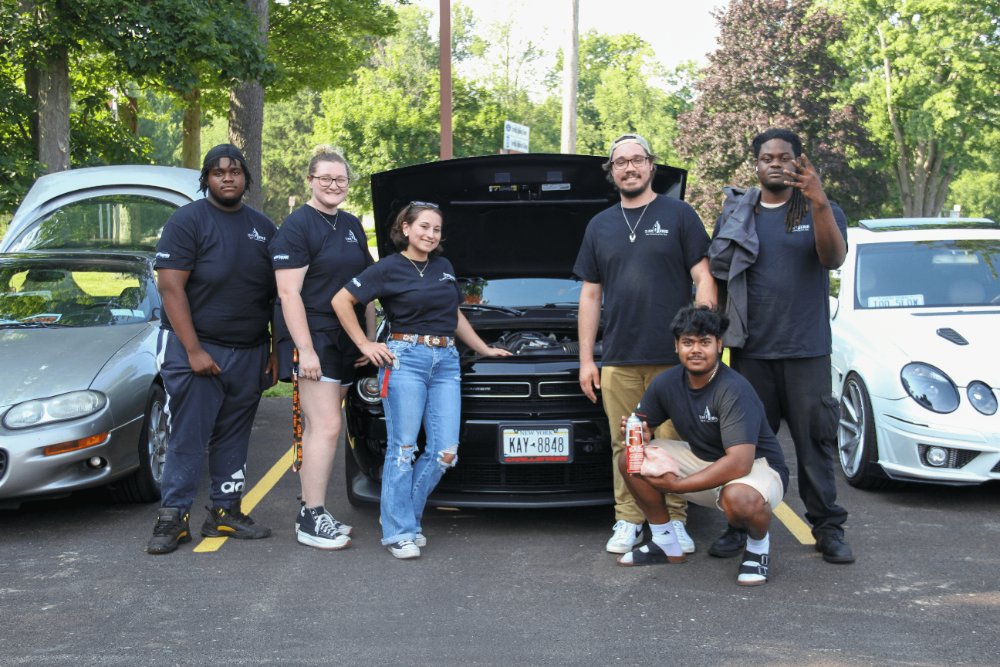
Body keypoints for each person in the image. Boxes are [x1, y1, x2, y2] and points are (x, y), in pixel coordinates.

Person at [332, 202, 511, 559]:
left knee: (445, 451)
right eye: (424, 227)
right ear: (406, 228)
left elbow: (454, 314)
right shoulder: (388, 268)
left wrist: (483, 348)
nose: (431, 234)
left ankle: (405, 522)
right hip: (405, 360)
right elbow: (341, 299)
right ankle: (399, 531)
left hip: (446, 361)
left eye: (437, 230)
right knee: (403, 449)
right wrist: (366, 343)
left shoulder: (443, 267)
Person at [708, 128, 854, 564]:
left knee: (815, 447)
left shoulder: (817, 207)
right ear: (756, 164)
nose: (775, 162)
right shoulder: (739, 214)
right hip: (751, 352)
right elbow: (718, 276)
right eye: (767, 157)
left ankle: (828, 528)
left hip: (807, 350)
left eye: (784, 157)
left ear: (798, 161)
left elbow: (833, 259)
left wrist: (820, 201)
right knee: (745, 447)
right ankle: (738, 526)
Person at [574, 133, 717, 556]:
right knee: (628, 444)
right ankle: (629, 520)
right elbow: (590, 295)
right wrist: (587, 359)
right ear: (612, 171)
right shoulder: (599, 225)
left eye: (637, 160)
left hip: (674, 359)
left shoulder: (679, 214)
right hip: (619, 356)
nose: (629, 168)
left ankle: (674, 519)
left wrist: (704, 339)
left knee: (675, 443)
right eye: (621, 162)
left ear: (651, 165)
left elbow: (704, 277)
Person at [147, 144, 279, 555]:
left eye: (236, 171)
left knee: (235, 435)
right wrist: (193, 349)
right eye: (218, 171)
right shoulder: (188, 221)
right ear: (206, 178)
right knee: (189, 434)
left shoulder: (263, 227)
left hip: (251, 351)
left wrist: (273, 349)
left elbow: (276, 294)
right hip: (198, 351)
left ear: (246, 179)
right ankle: (173, 517)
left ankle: (224, 511)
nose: (228, 177)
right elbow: (170, 287)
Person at [616, 306, 789, 587]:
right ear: (676, 346)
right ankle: (665, 542)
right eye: (688, 342)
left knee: (740, 500)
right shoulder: (667, 382)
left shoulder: (734, 389)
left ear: (719, 345)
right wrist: (640, 436)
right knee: (630, 458)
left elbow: (739, 463)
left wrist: (675, 486)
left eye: (705, 342)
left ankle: (758, 547)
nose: (696, 350)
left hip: (756, 468)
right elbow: (642, 427)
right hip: (703, 460)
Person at [270, 145, 376, 550]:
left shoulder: (350, 224)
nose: (334, 185)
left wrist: (367, 339)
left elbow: (362, 288)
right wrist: (306, 350)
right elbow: (288, 293)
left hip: (348, 337)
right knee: (327, 426)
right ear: (310, 181)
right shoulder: (297, 226)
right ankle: (312, 517)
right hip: (313, 334)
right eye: (326, 178)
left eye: (341, 179)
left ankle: (312, 509)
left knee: (324, 426)